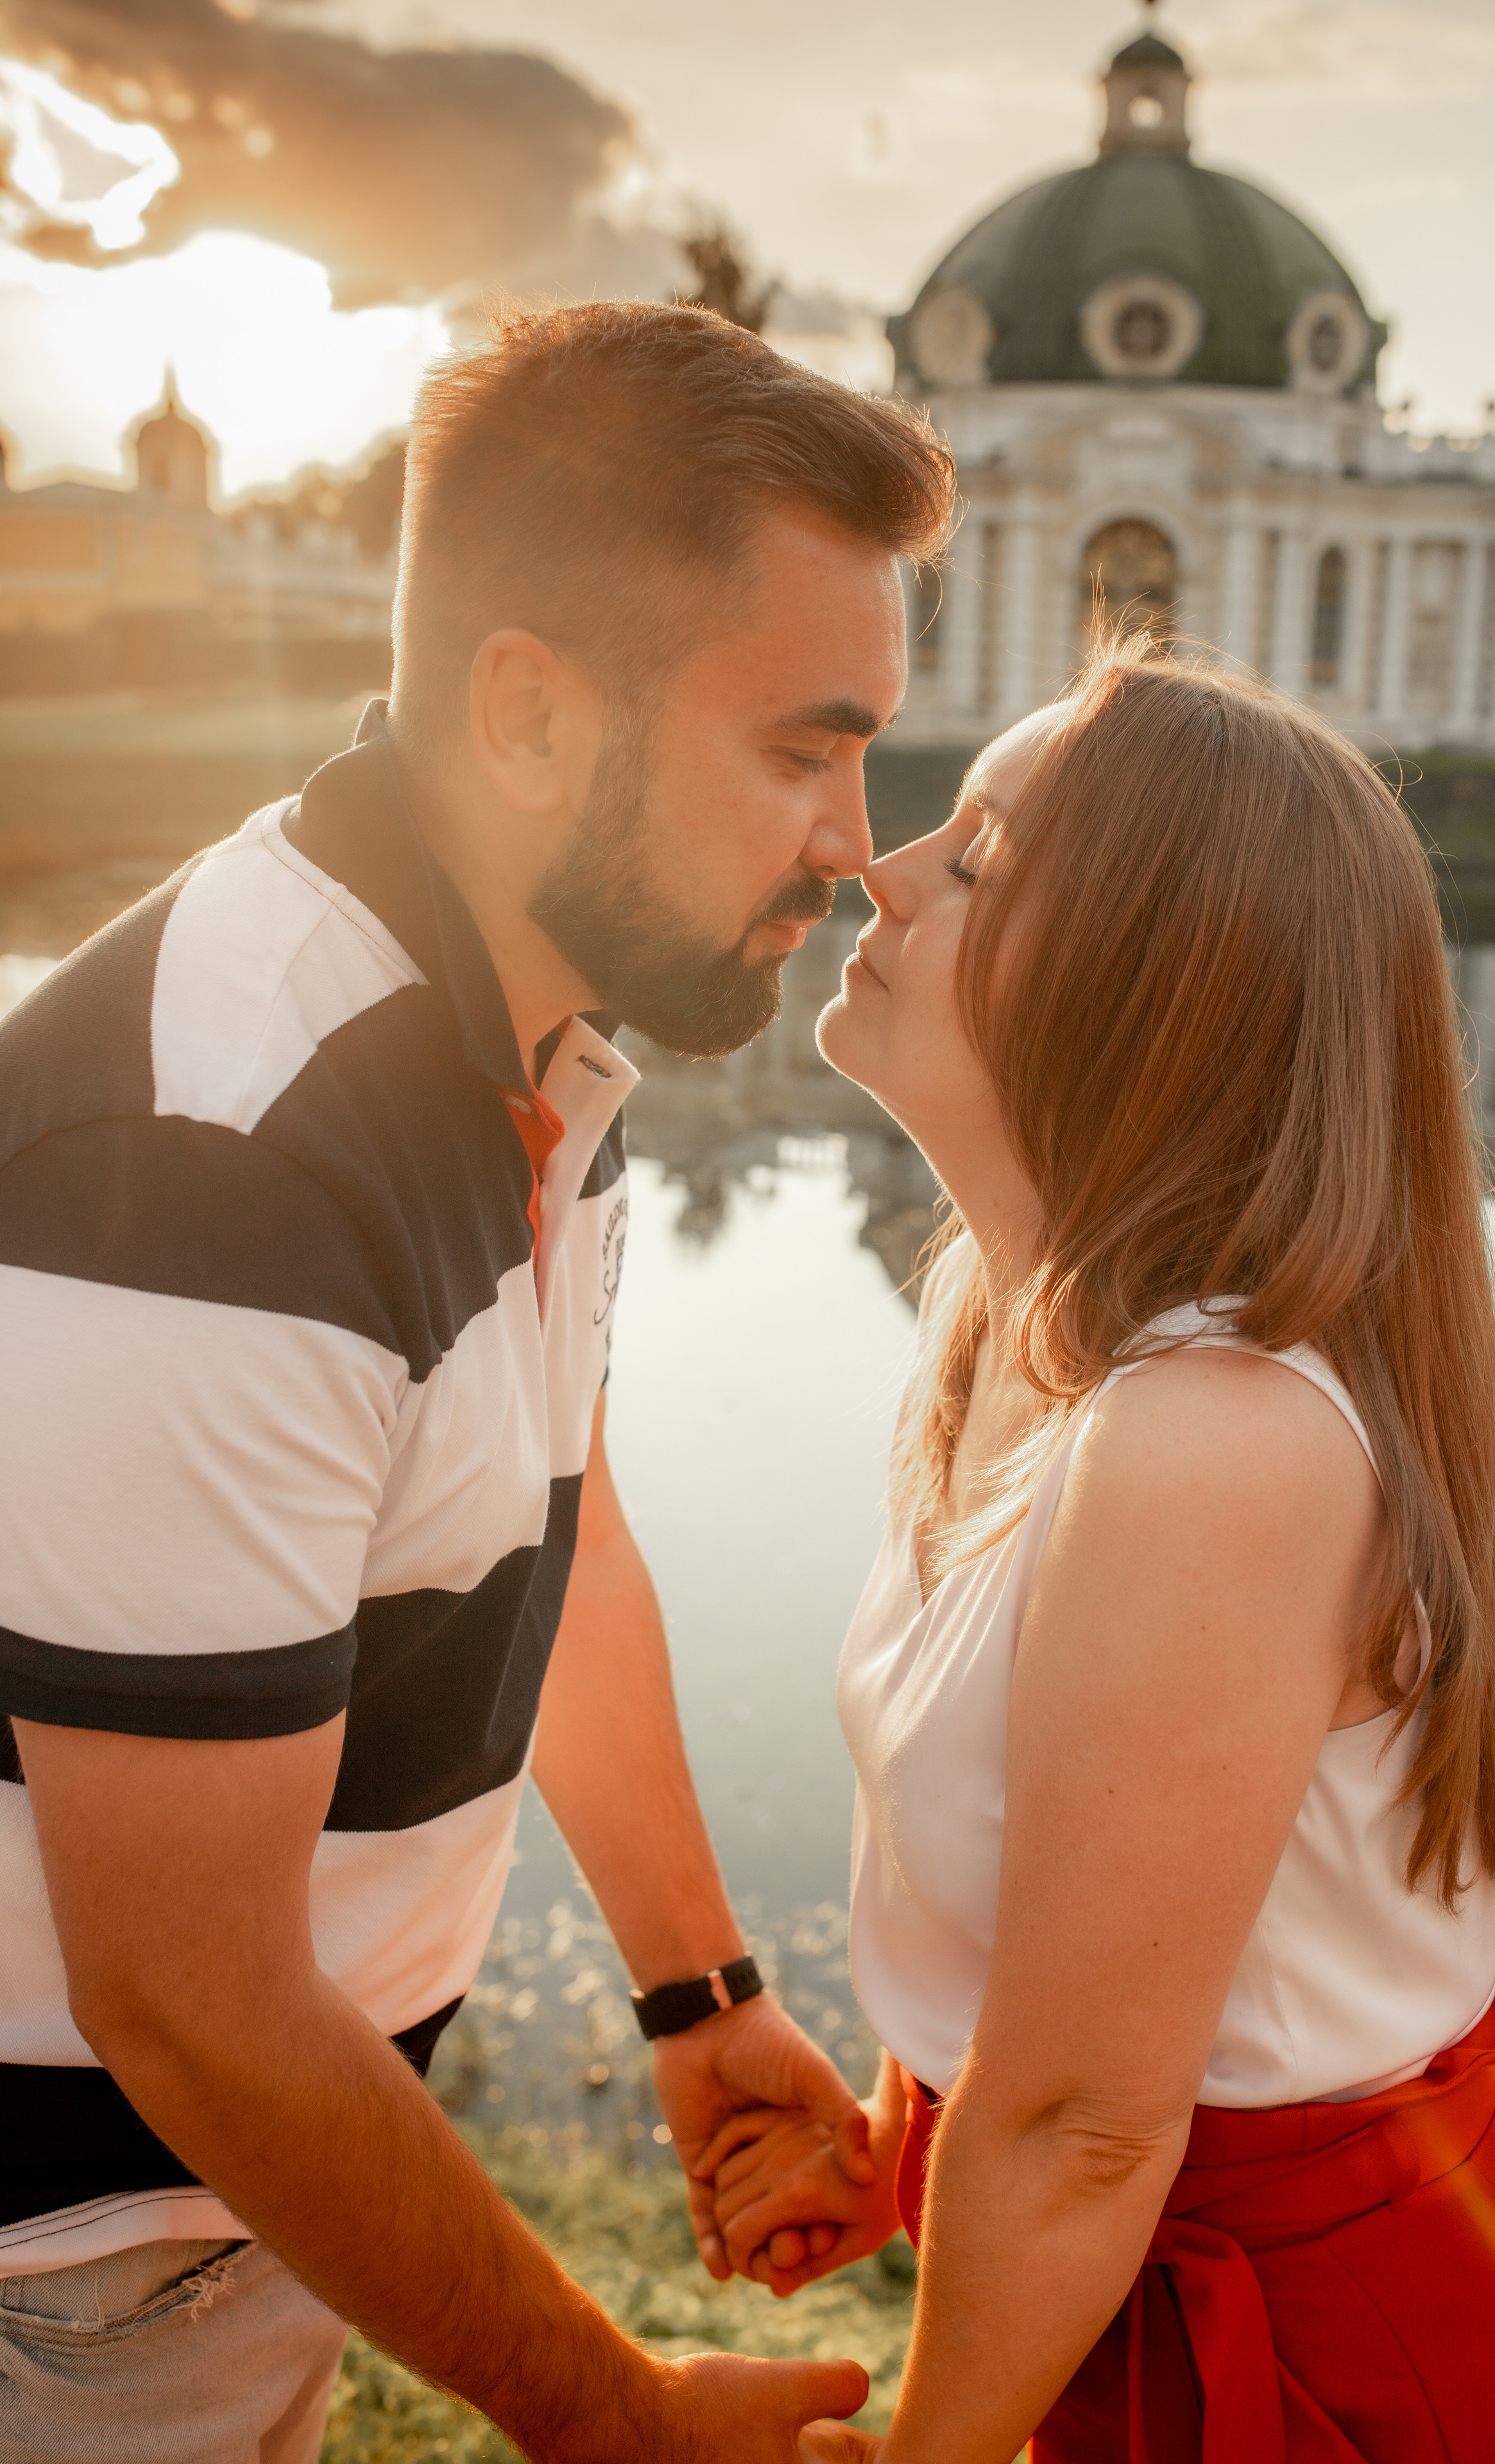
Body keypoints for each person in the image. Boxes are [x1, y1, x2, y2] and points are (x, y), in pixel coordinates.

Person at [0, 300, 953, 2462]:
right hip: (59, 2295)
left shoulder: (533, 1039)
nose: (855, 846)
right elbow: (190, 2000)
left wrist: (700, 1997)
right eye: (803, 749)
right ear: (529, 715)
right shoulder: (216, 1152)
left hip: (248, 2212)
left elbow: (559, 1526)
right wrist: (618, 2420)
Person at [702, 643, 1495, 2461]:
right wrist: (908, 2148)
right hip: (1120, 2274)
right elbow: (1075, 2000)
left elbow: (1092, 2124)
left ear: (1155, 990)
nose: (877, 869)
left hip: (1340, 2373)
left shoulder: (1211, 1435)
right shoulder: (1004, 1314)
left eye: (976, 863)